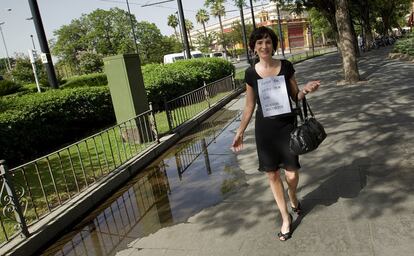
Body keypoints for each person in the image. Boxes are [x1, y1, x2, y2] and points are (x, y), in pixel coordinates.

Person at [231, 27, 320, 241]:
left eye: (268, 41)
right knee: (272, 174)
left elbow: (295, 95)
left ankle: (292, 195)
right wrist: (240, 131)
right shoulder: (251, 73)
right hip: (265, 130)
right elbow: (249, 105)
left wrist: (306, 90)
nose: (264, 46)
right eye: (259, 42)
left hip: (287, 127)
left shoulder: (286, 66)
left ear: (273, 45)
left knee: (291, 174)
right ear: (253, 47)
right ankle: (285, 218)